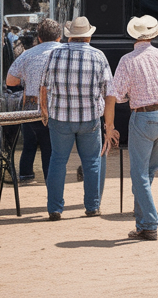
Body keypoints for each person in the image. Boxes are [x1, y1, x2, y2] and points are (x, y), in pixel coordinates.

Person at [102, 15, 158, 240]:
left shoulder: (128, 60)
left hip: (144, 118)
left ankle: (148, 223)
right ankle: (143, 220)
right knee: (148, 171)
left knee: (140, 174)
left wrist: (109, 127)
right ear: (154, 34)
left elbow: (111, 97)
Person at [39, 15, 112, 221]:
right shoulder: (98, 56)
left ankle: (54, 208)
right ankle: (92, 206)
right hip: (90, 117)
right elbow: (109, 91)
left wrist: (44, 111)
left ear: (70, 36)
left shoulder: (54, 54)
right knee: (91, 162)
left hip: (60, 117)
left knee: (58, 161)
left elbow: (43, 85)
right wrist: (108, 122)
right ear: (88, 36)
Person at [6, 18, 63, 182]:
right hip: (57, 106)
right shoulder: (66, 52)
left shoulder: (28, 54)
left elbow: (10, 81)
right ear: (59, 37)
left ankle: (25, 173)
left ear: (39, 37)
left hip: (31, 106)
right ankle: (50, 182)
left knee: (29, 143)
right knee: (49, 147)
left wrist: (26, 80)